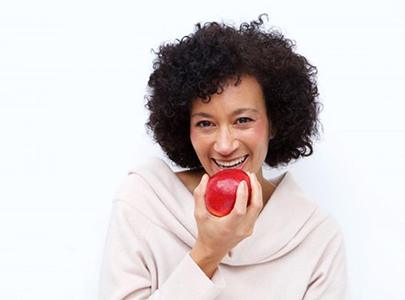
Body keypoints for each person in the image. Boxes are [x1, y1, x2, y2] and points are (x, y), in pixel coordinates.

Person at [98, 14, 348, 299]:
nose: (225, 145)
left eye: (242, 120)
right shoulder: (144, 202)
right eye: (205, 123)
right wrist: (207, 252)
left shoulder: (316, 236)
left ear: (274, 122)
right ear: (185, 127)